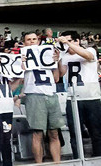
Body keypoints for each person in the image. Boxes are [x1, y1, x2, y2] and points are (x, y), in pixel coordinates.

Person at [20, 32, 64, 163]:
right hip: (34, 94)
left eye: (34, 39)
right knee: (38, 133)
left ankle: (57, 163)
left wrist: (56, 61)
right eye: (28, 39)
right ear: (24, 42)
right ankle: (39, 164)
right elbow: (17, 77)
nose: (32, 41)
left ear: (38, 41)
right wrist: (20, 63)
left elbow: (56, 78)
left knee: (54, 132)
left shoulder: (47, 54)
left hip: (51, 93)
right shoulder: (21, 56)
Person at [58, 31, 101, 159]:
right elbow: (61, 73)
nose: (66, 44)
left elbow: (88, 56)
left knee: (96, 131)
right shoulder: (65, 56)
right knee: (74, 132)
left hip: (91, 97)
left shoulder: (90, 50)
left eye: (70, 41)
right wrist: (59, 58)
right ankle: (78, 158)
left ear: (77, 41)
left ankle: (98, 157)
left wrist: (68, 44)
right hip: (73, 98)